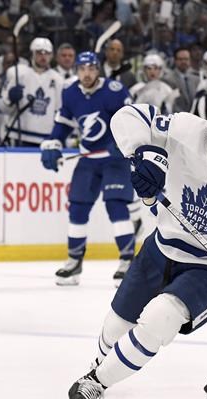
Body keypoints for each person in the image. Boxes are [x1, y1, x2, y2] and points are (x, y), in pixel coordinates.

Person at [64, 93, 207, 399]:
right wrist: (142, 153)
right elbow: (128, 116)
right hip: (161, 248)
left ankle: (96, 382)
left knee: (161, 317)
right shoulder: (184, 130)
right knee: (115, 326)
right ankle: (99, 366)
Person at [40, 51, 137, 286]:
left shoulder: (115, 90)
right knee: (77, 208)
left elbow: (132, 121)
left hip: (115, 158)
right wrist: (53, 143)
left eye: (91, 69)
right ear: (76, 70)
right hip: (88, 158)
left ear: (98, 70)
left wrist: (123, 142)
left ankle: (127, 262)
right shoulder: (70, 92)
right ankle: (74, 262)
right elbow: (63, 123)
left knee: (115, 205)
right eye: (82, 69)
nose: (86, 74)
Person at [0, 37, 63, 147]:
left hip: (45, 138)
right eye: (39, 53)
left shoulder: (58, 80)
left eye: (47, 53)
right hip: (18, 135)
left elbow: (59, 111)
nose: (43, 56)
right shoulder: (17, 73)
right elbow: (2, 107)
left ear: (51, 56)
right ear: (32, 53)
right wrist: (10, 99)